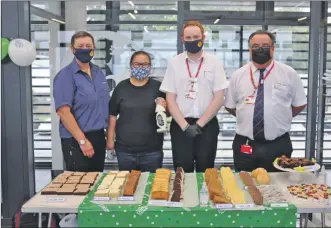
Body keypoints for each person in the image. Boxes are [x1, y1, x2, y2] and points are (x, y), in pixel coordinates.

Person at [224, 30, 307, 172]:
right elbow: (231, 106)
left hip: (278, 144)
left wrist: (279, 117)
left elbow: (299, 104)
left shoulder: (289, 74)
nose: (260, 49)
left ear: (273, 48)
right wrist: (249, 118)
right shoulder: (238, 75)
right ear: (249, 49)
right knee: (244, 185)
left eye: (265, 45)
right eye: (255, 46)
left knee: (278, 188)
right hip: (246, 144)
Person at [160, 21, 228, 173]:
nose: (192, 40)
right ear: (182, 40)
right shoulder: (174, 63)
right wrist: (185, 126)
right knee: (182, 171)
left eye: (196, 36)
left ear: (203, 37)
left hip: (207, 125)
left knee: (206, 170)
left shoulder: (214, 62)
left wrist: (199, 124)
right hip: (180, 126)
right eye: (188, 37)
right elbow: (170, 98)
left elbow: (219, 97)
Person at [53, 31, 110, 172]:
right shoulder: (65, 76)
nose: (85, 49)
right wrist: (82, 141)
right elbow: (63, 112)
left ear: (94, 48)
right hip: (76, 139)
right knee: (79, 185)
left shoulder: (98, 72)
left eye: (88, 45)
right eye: (80, 46)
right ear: (72, 49)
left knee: (96, 181)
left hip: (98, 136)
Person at [107, 51, 166, 172]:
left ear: (150, 66)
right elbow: (112, 115)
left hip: (152, 151)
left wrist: (165, 106)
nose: (141, 67)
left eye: (145, 64)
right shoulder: (121, 87)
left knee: (151, 187)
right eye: (137, 64)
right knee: (127, 187)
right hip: (125, 151)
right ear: (130, 65)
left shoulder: (158, 87)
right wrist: (110, 140)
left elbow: (167, 114)